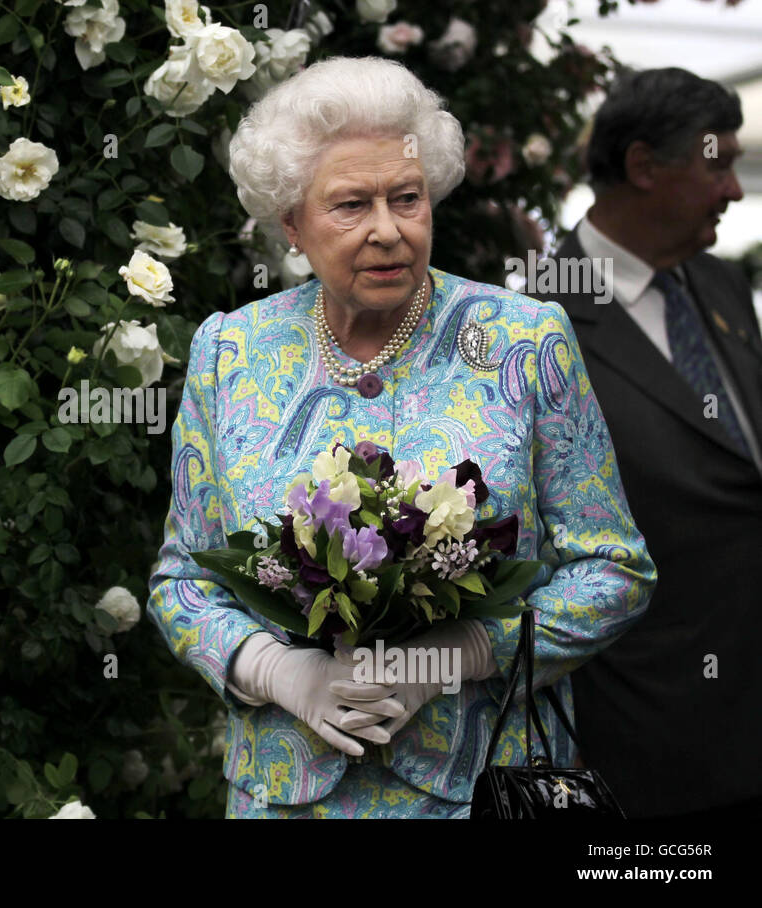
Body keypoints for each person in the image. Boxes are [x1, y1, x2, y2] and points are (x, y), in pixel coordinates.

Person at [145, 56, 656, 818]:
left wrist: (456, 657)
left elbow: (615, 572)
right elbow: (184, 582)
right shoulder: (230, 351)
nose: (388, 230)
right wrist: (282, 673)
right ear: (291, 222)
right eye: (351, 205)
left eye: (407, 199)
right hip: (284, 796)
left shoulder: (524, 341)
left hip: (481, 791)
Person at [533, 67, 762, 819]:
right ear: (641, 166)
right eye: (716, 164)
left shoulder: (719, 284)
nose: (733, 190)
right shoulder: (536, 317)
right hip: (641, 740)